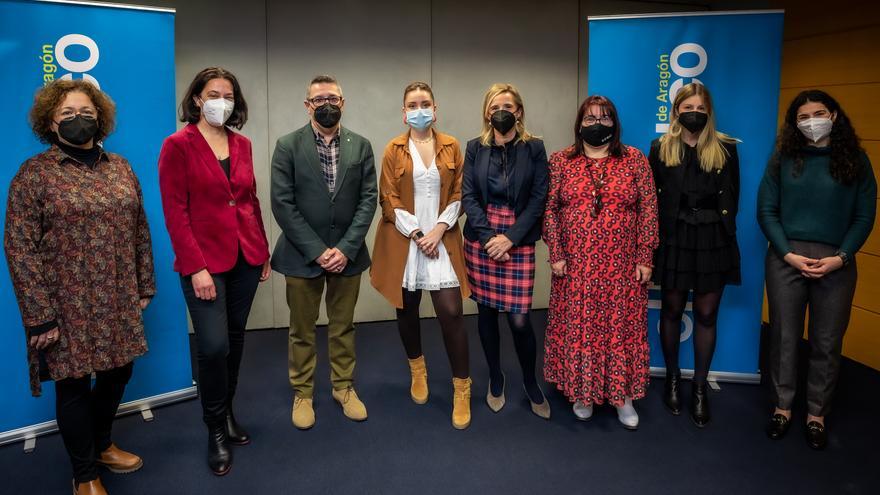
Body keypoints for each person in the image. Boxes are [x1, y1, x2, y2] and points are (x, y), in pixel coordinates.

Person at [5, 79, 155, 495]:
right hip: (63, 302)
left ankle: (103, 442)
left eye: (86, 112)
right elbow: (19, 247)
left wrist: (144, 285)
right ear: (51, 123)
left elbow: (140, 229)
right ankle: (85, 472)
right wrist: (38, 317)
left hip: (117, 293)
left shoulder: (121, 167)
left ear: (100, 119)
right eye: (67, 114)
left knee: (119, 370)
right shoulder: (34, 174)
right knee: (72, 383)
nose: (78, 119)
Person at [158, 67, 271, 475]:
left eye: (228, 94)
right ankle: (214, 430)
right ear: (196, 100)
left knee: (236, 340)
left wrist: (263, 251)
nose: (220, 101)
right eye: (213, 94)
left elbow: (249, 199)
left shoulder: (242, 143)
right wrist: (196, 268)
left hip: (246, 257)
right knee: (213, 346)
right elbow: (175, 212)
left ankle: (227, 414)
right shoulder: (177, 145)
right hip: (204, 265)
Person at [758, 89, 876, 450]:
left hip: (836, 262)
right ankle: (782, 407)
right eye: (804, 117)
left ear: (834, 116)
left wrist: (841, 256)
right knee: (784, 337)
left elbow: (864, 215)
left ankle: (816, 414)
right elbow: (766, 210)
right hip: (786, 259)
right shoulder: (783, 158)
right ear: (794, 124)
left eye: (819, 113)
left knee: (827, 341)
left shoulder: (855, 160)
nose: (812, 122)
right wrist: (787, 253)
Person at [543, 95, 658, 429]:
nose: (597, 124)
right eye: (590, 118)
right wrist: (557, 253)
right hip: (575, 267)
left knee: (620, 331)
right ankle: (583, 392)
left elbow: (649, 209)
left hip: (622, 268)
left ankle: (623, 397)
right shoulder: (561, 161)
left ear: (615, 123)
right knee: (581, 330)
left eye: (604, 118)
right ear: (579, 124)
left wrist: (645, 256)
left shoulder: (635, 160)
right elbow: (549, 209)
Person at [271, 75, 377, 430]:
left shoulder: (361, 146)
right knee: (301, 329)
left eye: (332, 97)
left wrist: (345, 249)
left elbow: (368, 200)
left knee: (342, 326)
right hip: (302, 255)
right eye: (318, 99)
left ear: (343, 102)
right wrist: (318, 251)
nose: (326, 104)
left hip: (348, 255)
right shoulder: (287, 145)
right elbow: (282, 204)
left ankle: (343, 387)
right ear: (307, 105)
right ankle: (302, 392)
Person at [371, 82, 472, 429]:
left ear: (435, 108)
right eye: (412, 104)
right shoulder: (393, 149)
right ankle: (418, 370)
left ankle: (462, 388)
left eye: (425, 103)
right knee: (407, 310)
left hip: (441, 238)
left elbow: (460, 192)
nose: (419, 109)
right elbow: (388, 198)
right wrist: (416, 233)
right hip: (406, 240)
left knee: (451, 313)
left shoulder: (452, 146)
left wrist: (438, 231)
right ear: (403, 112)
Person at [648, 83, 741, 427]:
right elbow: (651, 200)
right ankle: (673, 378)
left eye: (701, 108)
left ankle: (699, 387)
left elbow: (734, 196)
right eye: (689, 107)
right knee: (671, 310)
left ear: (709, 112)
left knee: (706, 314)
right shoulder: (660, 148)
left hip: (713, 239)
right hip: (674, 238)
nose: (695, 113)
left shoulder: (726, 147)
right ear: (676, 111)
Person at [461, 83, 550, 420]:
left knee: (519, 319)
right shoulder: (474, 148)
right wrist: (489, 239)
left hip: (519, 237)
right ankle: (495, 377)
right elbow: (468, 196)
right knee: (485, 314)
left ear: (519, 111)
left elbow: (539, 198)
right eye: (496, 105)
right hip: (482, 238)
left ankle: (530, 381)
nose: (502, 111)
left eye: (509, 106)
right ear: (487, 112)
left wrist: (509, 238)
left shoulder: (535, 148)